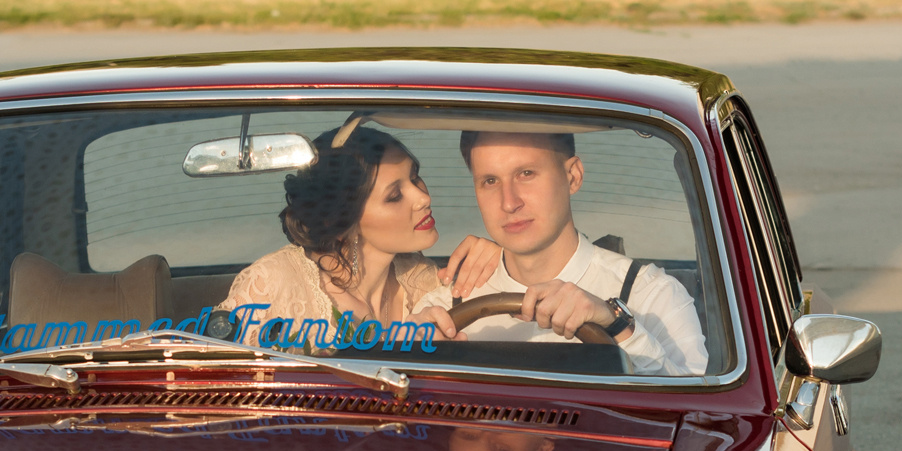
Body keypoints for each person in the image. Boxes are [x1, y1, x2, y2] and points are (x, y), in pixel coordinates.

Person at [219, 120, 497, 352]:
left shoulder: (421, 279)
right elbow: (219, 385)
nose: (423, 197)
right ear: (344, 223)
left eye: (415, 177)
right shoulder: (272, 284)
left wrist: (503, 260)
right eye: (395, 196)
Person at [450, 131, 709, 376]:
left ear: (573, 176)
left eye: (526, 173)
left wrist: (617, 324)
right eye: (490, 181)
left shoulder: (653, 296)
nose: (509, 202)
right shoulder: (444, 304)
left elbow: (700, 413)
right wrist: (418, 345)